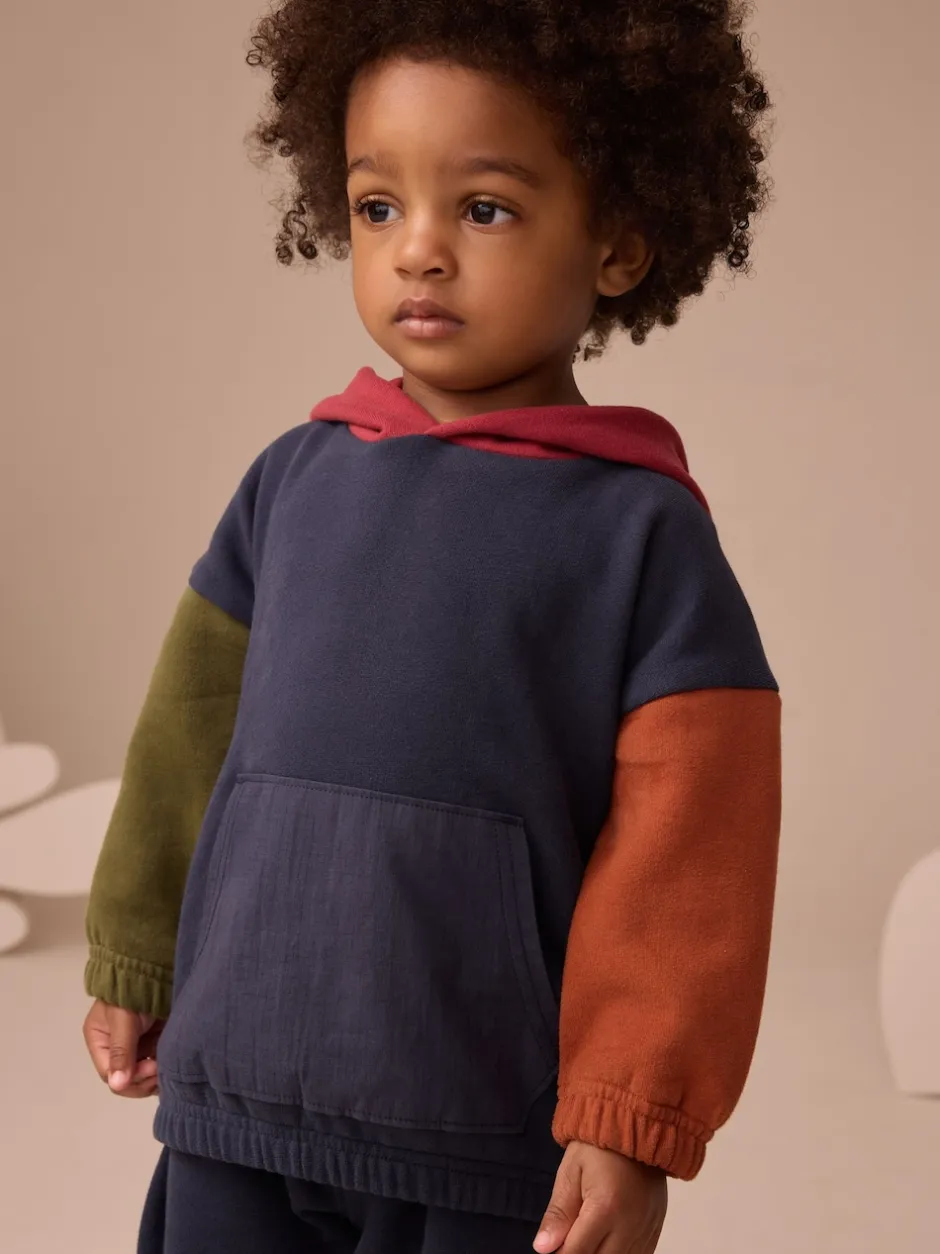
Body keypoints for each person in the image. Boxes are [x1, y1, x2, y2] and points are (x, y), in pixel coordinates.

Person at [81, 2, 782, 1252]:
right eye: (377, 205)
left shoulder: (639, 535)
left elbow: (691, 860)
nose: (418, 251)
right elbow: (182, 742)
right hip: (236, 1093)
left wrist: (630, 1113)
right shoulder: (290, 482)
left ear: (619, 243)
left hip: (475, 1132)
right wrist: (137, 955)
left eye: (486, 208)